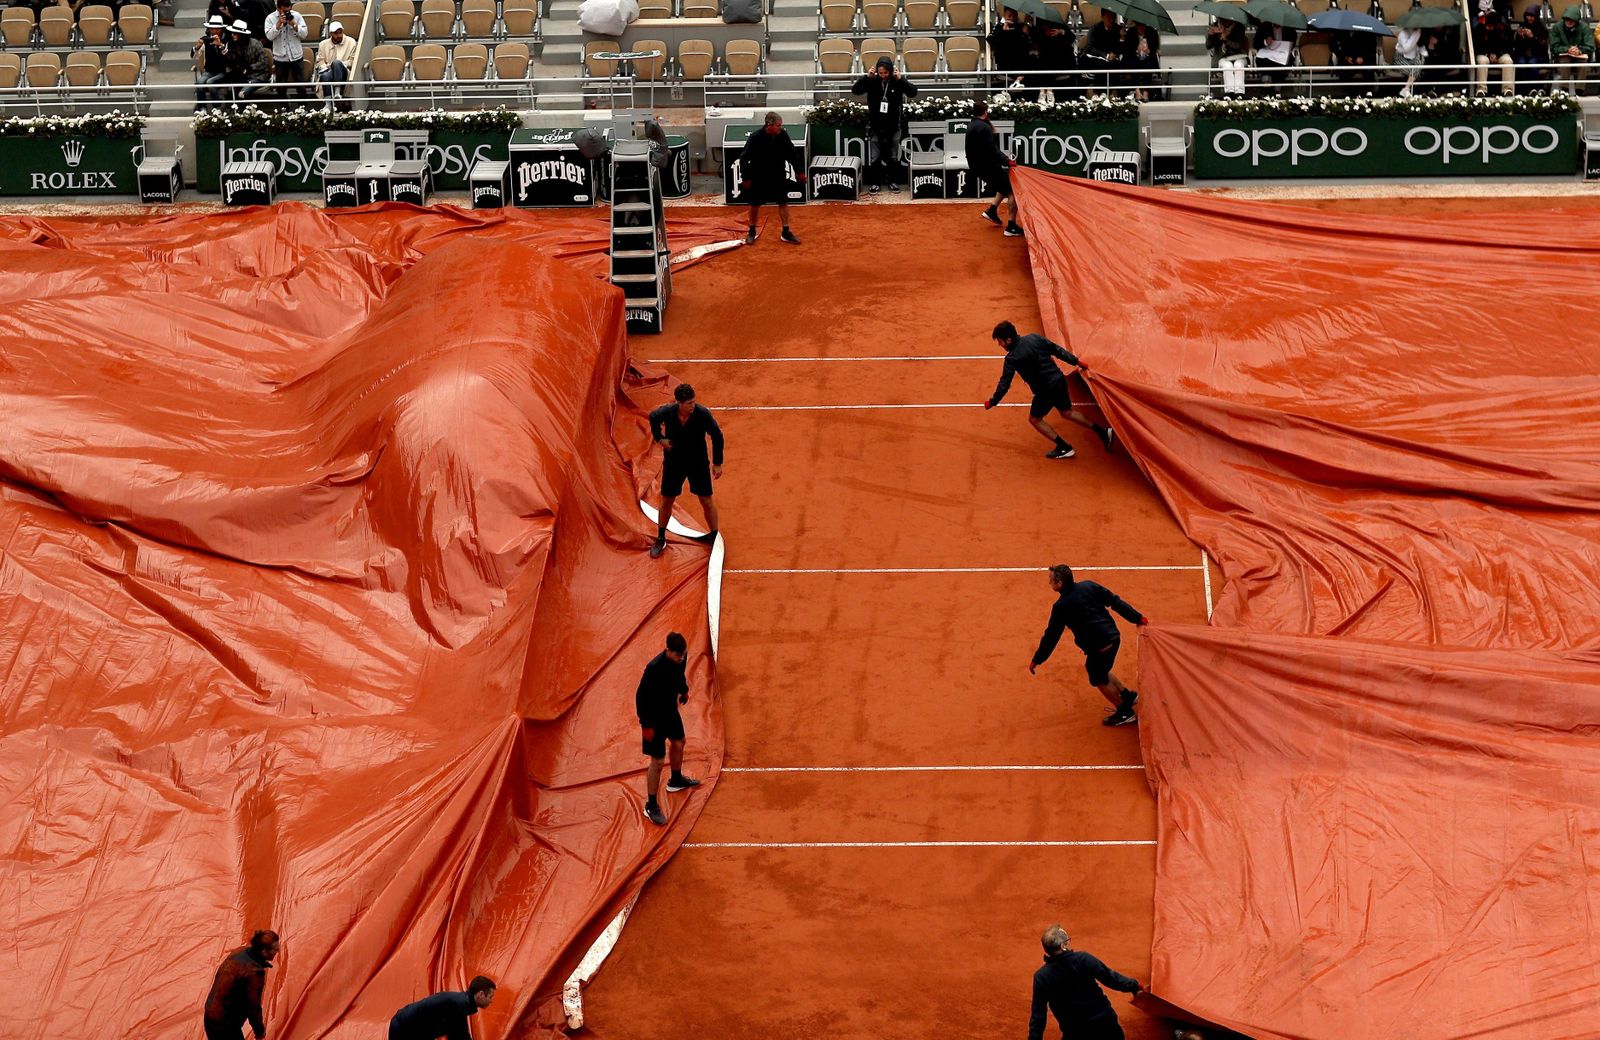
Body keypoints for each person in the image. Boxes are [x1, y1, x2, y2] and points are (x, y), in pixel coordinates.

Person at [1030, 565, 1146, 726]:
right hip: (1114, 637)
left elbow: (1051, 636)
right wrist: (1137, 618)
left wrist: (1037, 659)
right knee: (1100, 668)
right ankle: (1128, 696)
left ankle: (1125, 712)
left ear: (1060, 583)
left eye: (1051, 580)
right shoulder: (1089, 586)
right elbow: (1114, 601)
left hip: (1100, 646)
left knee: (1097, 676)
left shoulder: (1061, 607)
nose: (1049, 582)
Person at [983, 321, 1111, 458]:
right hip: (1059, 381)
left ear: (1008, 340)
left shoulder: (1011, 358)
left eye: (1000, 342)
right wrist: (1076, 362)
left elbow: (1004, 383)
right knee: (1067, 412)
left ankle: (1064, 447)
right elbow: (1057, 350)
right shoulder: (1034, 338)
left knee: (1035, 419)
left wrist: (993, 401)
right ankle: (1103, 432)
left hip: (1045, 391)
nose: (1000, 345)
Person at [647, 382, 724, 559]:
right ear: (679, 403)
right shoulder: (666, 412)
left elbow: (717, 435)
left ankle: (713, 537)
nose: (692, 406)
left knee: (706, 500)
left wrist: (717, 462)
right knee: (666, 501)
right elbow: (653, 418)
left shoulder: (702, 414)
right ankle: (660, 538)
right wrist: (660, 439)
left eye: (693, 402)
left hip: (698, 463)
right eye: (689, 403)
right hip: (674, 462)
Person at [1026, 926, 1144, 1040]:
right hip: (1105, 1023)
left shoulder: (1041, 977)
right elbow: (1112, 979)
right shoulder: (1083, 959)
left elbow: (1038, 1015)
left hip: (1075, 1031)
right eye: (1067, 940)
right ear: (1062, 946)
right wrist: (1134, 985)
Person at [635, 631, 702, 826]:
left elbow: (679, 674)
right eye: (677, 655)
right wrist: (645, 725)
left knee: (679, 742)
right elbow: (641, 698)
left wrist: (683, 690)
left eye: (683, 655)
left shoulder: (681, 656)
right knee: (657, 761)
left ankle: (675, 780)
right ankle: (651, 805)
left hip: (670, 712)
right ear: (667, 651)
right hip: (653, 719)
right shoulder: (653, 669)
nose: (681, 658)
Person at [850, 55, 918, 194]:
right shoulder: (872, 81)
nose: (883, 76)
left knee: (893, 155)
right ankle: (875, 183)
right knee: (875, 156)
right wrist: (866, 77)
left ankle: (893, 181)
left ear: (891, 71)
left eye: (886, 73)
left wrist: (902, 79)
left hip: (894, 125)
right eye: (880, 73)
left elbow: (913, 92)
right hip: (876, 125)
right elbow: (855, 90)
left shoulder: (897, 81)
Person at [738, 112, 804, 245]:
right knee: (754, 204)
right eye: (778, 126)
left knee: (783, 202)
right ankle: (751, 231)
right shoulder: (755, 137)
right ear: (769, 125)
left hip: (778, 174)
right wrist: (745, 178)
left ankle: (786, 232)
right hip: (758, 176)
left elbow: (792, 154)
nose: (780, 128)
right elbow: (744, 158)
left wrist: (799, 171)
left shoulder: (783, 135)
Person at [203, 930, 280, 1040]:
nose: (278, 951)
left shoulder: (239, 951)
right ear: (264, 952)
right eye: (275, 949)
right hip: (224, 1024)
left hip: (210, 1015)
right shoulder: (254, 972)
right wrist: (260, 1032)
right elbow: (253, 1006)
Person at [966, 100, 1023, 238]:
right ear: (985, 113)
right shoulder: (984, 128)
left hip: (978, 165)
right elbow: (992, 151)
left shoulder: (972, 125)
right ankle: (1011, 226)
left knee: (1004, 183)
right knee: (1013, 190)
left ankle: (992, 210)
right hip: (986, 166)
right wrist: (1007, 161)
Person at [388, 977, 496, 1040]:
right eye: (490, 997)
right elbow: (458, 1035)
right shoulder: (459, 1004)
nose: (491, 1001)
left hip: (414, 1030)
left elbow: (461, 1034)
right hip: (404, 1029)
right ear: (481, 994)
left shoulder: (461, 1003)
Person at [264, 0, 308, 98]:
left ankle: (304, 108)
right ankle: (285, 109)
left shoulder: (297, 16)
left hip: (296, 56)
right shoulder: (270, 18)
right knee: (281, 88)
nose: (287, 13)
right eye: (284, 11)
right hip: (280, 58)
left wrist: (294, 25)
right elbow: (269, 37)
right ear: (278, 8)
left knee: (301, 86)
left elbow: (304, 34)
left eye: (289, 10)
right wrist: (278, 24)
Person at [313, 19, 357, 109]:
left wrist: (339, 64)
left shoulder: (351, 42)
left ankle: (337, 92)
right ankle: (328, 103)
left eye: (340, 32)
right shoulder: (323, 44)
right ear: (331, 34)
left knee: (336, 63)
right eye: (336, 33)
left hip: (345, 72)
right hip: (329, 71)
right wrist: (328, 67)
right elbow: (320, 61)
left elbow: (353, 61)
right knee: (325, 76)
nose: (339, 35)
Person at [1549, 5, 1592, 92]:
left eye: (1572, 20)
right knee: (1565, 63)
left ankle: (1580, 90)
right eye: (1567, 19)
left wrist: (1580, 50)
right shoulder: (1557, 27)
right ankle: (1564, 89)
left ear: (1577, 21)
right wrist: (1567, 49)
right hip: (1564, 54)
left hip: (1580, 54)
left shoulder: (1584, 27)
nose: (1569, 21)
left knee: (1583, 65)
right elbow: (1554, 47)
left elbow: (1590, 46)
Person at [1078, 7, 1122, 93]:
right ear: (1102, 17)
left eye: (1113, 17)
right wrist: (1106, 55)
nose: (1111, 20)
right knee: (1101, 65)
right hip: (1096, 57)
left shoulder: (1119, 30)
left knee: (1115, 65)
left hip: (1113, 59)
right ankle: (1101, 93)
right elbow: (1089, 48)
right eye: (1109, 17)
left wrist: (1122, 38)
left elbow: (1122, 49)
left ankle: (1109, 93)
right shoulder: (1094, 28)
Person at [1473, 7, 1515, 93]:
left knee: (1508, 61)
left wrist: (1497, 55)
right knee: (1482, 61)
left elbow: (1507, 46)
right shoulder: (1479, 29)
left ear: (1497, 25)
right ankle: (1481, 89)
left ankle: (1507, 89)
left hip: (1499, 54)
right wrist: (1488, 55)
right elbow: (1477, 46)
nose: (1489, 28)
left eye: (1491, 26)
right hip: (1484, 54)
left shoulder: (1504, 30)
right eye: (1487, 25)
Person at [229, 16, 273, 99]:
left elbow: (264, 61)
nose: (232, 35)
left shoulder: (255, 43)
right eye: (232, 33)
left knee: (242, 93)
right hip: (243, 77)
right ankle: (239, 110)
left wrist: (249, 68)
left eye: (234, 33)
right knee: (231, 90)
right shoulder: (234, 46)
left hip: (259, 76)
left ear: (241, 34)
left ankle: (246, 109)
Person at [193, 14, 232, 106]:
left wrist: (220, 45)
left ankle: (217, 107)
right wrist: (196, 47)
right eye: (212, 29)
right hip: (209, 70)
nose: (214, 31)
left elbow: (229, 56)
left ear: (221, 29)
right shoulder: (206, 39)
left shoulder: (227, 39)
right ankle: (202, 108)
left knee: (210, 82)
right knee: (199, 83)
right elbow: (192, 54)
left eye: (217, 29)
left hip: (223, 72)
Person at [1206, 15, 1250, 96]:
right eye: (1221, 19)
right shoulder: (1215, 26)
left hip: (1239, 55)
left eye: (1225, 19)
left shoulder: (1239, 27)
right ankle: (1230, 92)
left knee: (1238, 65)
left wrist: (1226, 39)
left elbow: (1238, 46)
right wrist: (1211, 35)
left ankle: (1239, 92)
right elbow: (1208, 46)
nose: (1222, 21)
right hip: (1223, 58)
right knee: (1227, 65)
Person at [987, 7, 1032, 85]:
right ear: (1004, 16)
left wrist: (1025, 34)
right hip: (1005, 60)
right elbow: (990, 39)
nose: (1012, 18)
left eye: (1014, 16)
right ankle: (1018, 81)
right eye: (1009, 16)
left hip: (1020, 59)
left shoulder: (1022, 27)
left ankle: (1017, 82)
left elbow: (1027, 46)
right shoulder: (999, 27)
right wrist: (1003, 32)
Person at [1510, 4, 1549, 91]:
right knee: (1521, 63)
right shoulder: (1522, 25)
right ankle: (1522, 90)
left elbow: (1543, 47)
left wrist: (1532, 37)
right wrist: (1519, 37)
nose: (1529, 18)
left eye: (1532, 16)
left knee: (1532, 63)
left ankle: (1535, 88)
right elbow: (1516, 47)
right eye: (1528, 16)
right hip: (1523, 54)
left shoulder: (1542, 28)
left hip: (1538, 55)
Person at [1252, 19, 1296, 94]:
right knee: (1263, 61)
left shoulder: (1289, 28)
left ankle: (1277, 88)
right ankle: (1266, 86)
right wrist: (1265, 42)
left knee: (1285, 62)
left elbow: (1293, 40)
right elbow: (1255, 43)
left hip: (1282, 54)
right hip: (1267, 54)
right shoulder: (1264, 26)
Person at [1120, 20, 1160, 100]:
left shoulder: (1152, 32)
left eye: (1143, 27)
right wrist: (1136, 51)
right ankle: (1137, 90)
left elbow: (1155, 49)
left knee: (1149, 64)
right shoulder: (1131, 32)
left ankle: (1145, 92)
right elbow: (1127, 50)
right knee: (1134, 64)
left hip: (1149, 58)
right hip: (1134, 58)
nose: (1141, 29)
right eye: (1139, 27)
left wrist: (1148, 51)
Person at [1391, 22, 1428, 95]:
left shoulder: (1419, 33)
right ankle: (1410, 91)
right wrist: (1416, 34)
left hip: (1414, 60)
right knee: (1417, 72)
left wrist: (1424, 53)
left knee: (1419, 64)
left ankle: (1406, 89)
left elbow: (1422, 50)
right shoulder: (1403, 34)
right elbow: (1407, 48)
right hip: (1400, 58)